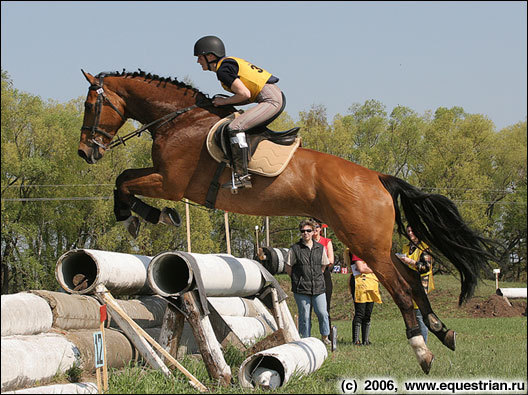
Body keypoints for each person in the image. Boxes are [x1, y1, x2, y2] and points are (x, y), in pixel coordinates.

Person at [194, 35, 284, 190]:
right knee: (241, 125)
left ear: (210, 56)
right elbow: (246, 95)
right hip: (272, 96)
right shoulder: (227, 64)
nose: (198, 61)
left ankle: (242, 176)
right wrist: (227, 101)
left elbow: (244, 94)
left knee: (235, 127)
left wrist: (224, 101)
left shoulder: (223, 70)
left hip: (271, 100)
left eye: (200, 57)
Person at [285, 219, 331, 345]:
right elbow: (288, 267)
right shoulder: (294, 249)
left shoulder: (320, 248)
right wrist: (297, 278)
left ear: (313, 232)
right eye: (303, 231)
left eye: (308, 231)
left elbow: (324, 265)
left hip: (318, 287)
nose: (305, 233)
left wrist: (316, 276)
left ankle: (325, 337)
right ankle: (305, 340)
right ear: (301, 233)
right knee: (304, 316)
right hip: (301, 289)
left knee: (322, 313)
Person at [396, 225, 434, 343]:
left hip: (421, 285)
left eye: (412, 231)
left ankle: (424, 342)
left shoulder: (424, 248)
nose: (410, 233)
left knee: (419, 315)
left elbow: (426, 267)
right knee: (412, 314)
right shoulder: (406, 247)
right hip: (408, 284)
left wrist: (410, 262)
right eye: (408, 231)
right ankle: (416, 341)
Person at [344, 248, 382, 346]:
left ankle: (366, 340)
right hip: (359, 284)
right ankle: (356, 340)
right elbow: (361, 268)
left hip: (371, 284)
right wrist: (374, 268)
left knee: (368, 313)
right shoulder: (356, 250)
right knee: (360, 313)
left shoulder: (369, 250)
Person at [311, 218, 335, 339]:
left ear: (320, 228)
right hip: (310, 275)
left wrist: (320, 262)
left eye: (316, 227)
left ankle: (327, 336)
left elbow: (331, 260)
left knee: (326, 308)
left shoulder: (326, 241)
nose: (314, 230)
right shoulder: (307, 242)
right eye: (312, 227)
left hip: (324, 275)